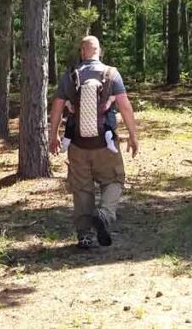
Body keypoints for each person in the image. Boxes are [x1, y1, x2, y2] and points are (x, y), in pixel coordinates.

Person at [49, 36, 139, 249]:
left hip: (78, 144)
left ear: (82, 52)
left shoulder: (70, 76)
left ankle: (85, 235)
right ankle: (105, 214)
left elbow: (57, 107)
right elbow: (125, 106)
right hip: (105, 143)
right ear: (100, 51)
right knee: (115, 180)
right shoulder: (111, 74)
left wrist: (53, 135)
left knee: (81, 189)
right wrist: (133, 136)